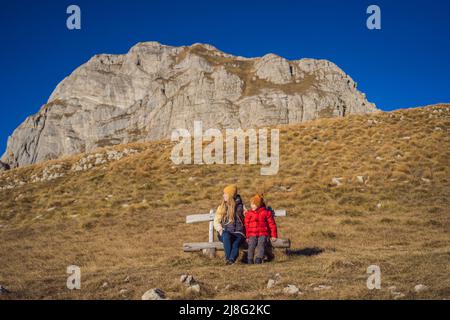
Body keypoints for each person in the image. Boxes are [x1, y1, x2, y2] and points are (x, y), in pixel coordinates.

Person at [214, 184, 245, 264]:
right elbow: (216, 221)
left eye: (225, 193)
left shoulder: (241, 207)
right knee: (226, 235)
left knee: (235, 243)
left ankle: (230, 260)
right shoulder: (222, 207)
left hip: (238, 233)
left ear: (230, 195)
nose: (223, 195)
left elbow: (248, 218)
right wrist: (220, 229)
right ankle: (229, 259)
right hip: (226, 232)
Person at [244, 194, 278, 264]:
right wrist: (247, 236)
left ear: (259, 204)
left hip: (263, 233)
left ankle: (258, 258)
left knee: (261, 244)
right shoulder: (249, 214)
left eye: (254, 204)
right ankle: (249, 259)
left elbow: (272, 224)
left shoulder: (266, 213)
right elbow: (246, 226)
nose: (252, 206)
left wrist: (274, 235)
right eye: (251, 204)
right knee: (251, 245)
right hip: (252, 234)